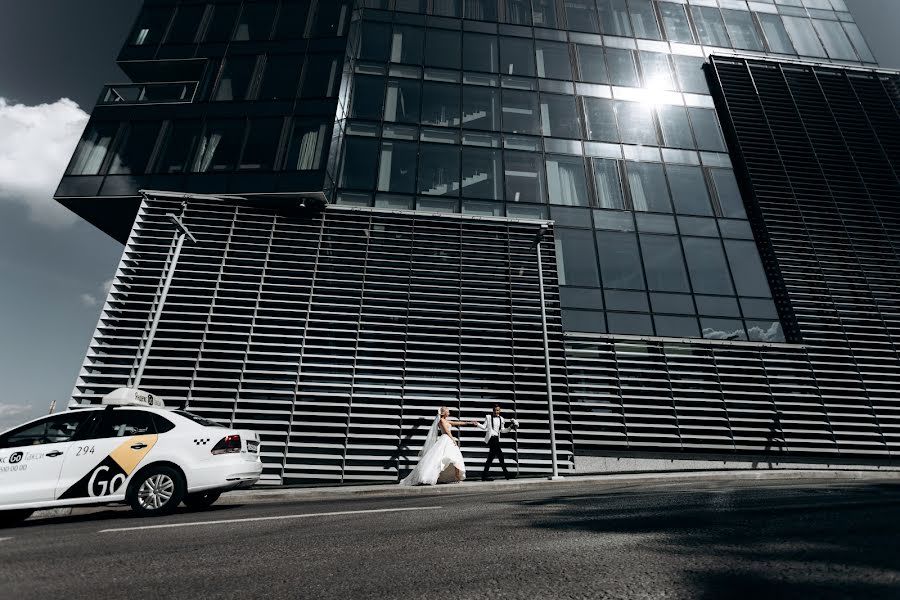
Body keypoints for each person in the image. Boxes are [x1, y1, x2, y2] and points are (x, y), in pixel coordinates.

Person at [399, 407, 480, 486]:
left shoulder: (446, 421)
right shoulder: (441, 421)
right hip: (446, 439)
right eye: (447, 412)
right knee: (441, 459)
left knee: (455, 458)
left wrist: (470, 423)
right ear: (443, 413)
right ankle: (435, 477)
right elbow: (447, 431)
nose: (449, 413)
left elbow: (458, 423)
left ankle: (456, 477)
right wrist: (453, 439)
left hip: (448, 440)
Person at [477, 404, 518, 481]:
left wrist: (510, 427)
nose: (496, 412)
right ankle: (506, 475)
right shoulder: (488, 417)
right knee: (500, 456)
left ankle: (484, 476)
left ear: (500, 410)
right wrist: (477, 424)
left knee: (492, 458)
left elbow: (502, 430)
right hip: (491, 439)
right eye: (495, 410)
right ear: (493, 410)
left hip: (496, 439)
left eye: (498, 410)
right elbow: (484, 427)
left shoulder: (501, 419)